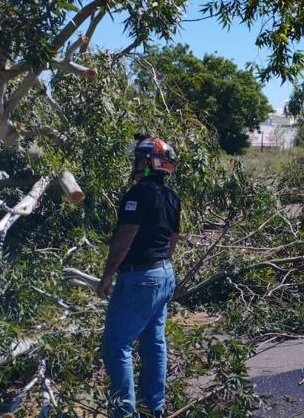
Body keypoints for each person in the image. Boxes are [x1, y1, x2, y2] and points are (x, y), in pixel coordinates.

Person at [99, 134, 181, 418]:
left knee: (116, 345)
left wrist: (107, 275)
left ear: (148, 162)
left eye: (138, 159)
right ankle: (153, 409)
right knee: (154, 343)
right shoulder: (171, 197)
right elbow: (173, 240)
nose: (135, 164)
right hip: (164, 274)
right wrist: (160, 268)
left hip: (140, 279)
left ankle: (124, 412)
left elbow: (125, 238)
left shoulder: (137, 195)